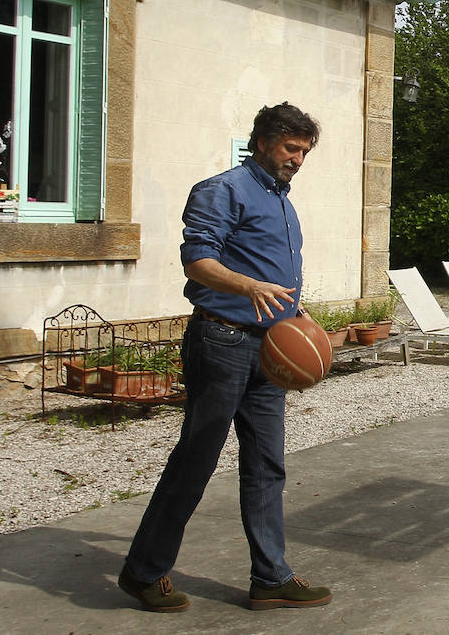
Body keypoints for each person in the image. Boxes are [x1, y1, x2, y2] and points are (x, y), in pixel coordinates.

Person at [118, 102, 332, 613]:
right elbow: (198, 261)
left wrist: (302, 323)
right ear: (261, 141)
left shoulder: (281, 200)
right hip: (222, 342)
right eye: (290, 148)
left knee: (266, 464)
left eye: (304, 151)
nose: (297, 159)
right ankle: (143, 573)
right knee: (196, 459)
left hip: (269, 351)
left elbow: (278, 279)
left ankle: (271, 577)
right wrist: (247, 285)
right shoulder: (222, 189)